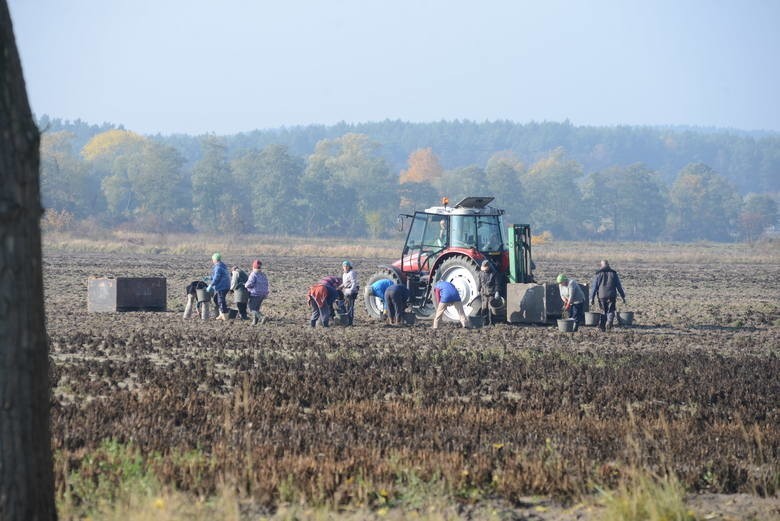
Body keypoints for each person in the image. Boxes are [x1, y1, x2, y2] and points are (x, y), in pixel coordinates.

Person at [589, 259, 626, 331]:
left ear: (601, 265)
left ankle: (602, 327)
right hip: (612, 295)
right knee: (611, 310)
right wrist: (623, 296)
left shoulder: (598, 274)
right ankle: (609, 322)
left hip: (602, 296)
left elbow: (594, 287)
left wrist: (592, 298)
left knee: (603, 311)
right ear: (608, 265)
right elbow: (619, 286)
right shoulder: (613, 273)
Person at [244, 259, 269, 325]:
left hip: (255, 294)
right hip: (262, 294)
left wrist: (245, 285)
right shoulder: (263, 275)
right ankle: (254, 322)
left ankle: (262, 317)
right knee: (256, 308)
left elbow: (249, 284)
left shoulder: (253, 274)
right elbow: (266, 284)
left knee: (251, 308)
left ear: (253, 267)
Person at [207, 252, 230, 320]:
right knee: (216, 299)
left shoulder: (218, 267)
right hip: (225, 285)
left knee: (221, 300)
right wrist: (210, 277)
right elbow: (216, 276)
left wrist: (211, 284)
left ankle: (225, 316)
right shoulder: (222, 265)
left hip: (222, 286)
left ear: (215, 259)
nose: (212, 261)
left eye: (213, 259)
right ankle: (221, 314)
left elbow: (217, 278)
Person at [478, 260, 500, 325]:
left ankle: (492, 323)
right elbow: (480, 283)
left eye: (485, 268)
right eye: (483, 269)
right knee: (484, 309)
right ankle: (484, 322)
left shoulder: (494, 273)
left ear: (488, 267)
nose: (484, 270)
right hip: (484, 294)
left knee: (491, 309)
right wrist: (478, 289)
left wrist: (497, 291)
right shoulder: (480, 273)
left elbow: (497, 284)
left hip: (491, 294)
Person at [338, 261, 359, 326]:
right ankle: (346, 320)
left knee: (350, 306)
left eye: (347, 266)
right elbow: (345, 283)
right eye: (344, 266)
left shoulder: (351, 273)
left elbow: (354, 283)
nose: (345, 267)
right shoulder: (344, 274)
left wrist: (351, 290)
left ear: (349, 267)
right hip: (346, 291)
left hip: (351, 292)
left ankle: (350, 322)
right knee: (346, 305)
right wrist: (339, 287)